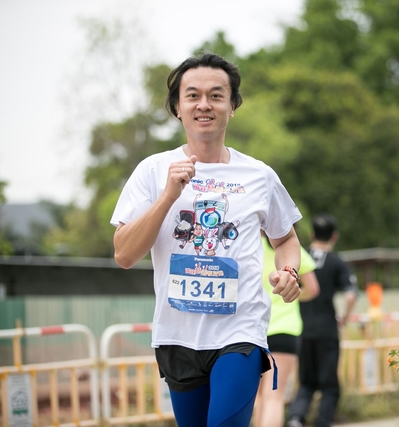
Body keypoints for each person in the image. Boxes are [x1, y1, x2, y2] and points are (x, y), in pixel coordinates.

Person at [110, 52, 303, 427]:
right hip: (177, 335)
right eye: (193, 96)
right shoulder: (152, 171)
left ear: (232, 106)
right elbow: (124, 254)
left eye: (216, 95)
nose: (204, 105)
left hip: (240, 331)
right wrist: (168, 196)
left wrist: (289, 272)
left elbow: (285, 240)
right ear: (177, 108)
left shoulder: (259, 175)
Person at [287, 214, 358, 427]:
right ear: (334, 236)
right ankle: (322, 421)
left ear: (312, 235)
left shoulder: (299, 256)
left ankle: (296, 418)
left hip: (301, 327)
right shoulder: (338, 262)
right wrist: (344, 317)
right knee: (329, 384)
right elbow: (351, 295)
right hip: (327, 329)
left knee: (306, 381)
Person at [253, 233, 320, 427]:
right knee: (274, 396)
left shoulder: (250, 245)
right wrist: (291, 295)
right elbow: (313, 289)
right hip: (284, 328)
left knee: (258, 396)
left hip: (254, 329)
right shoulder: (290, 248)